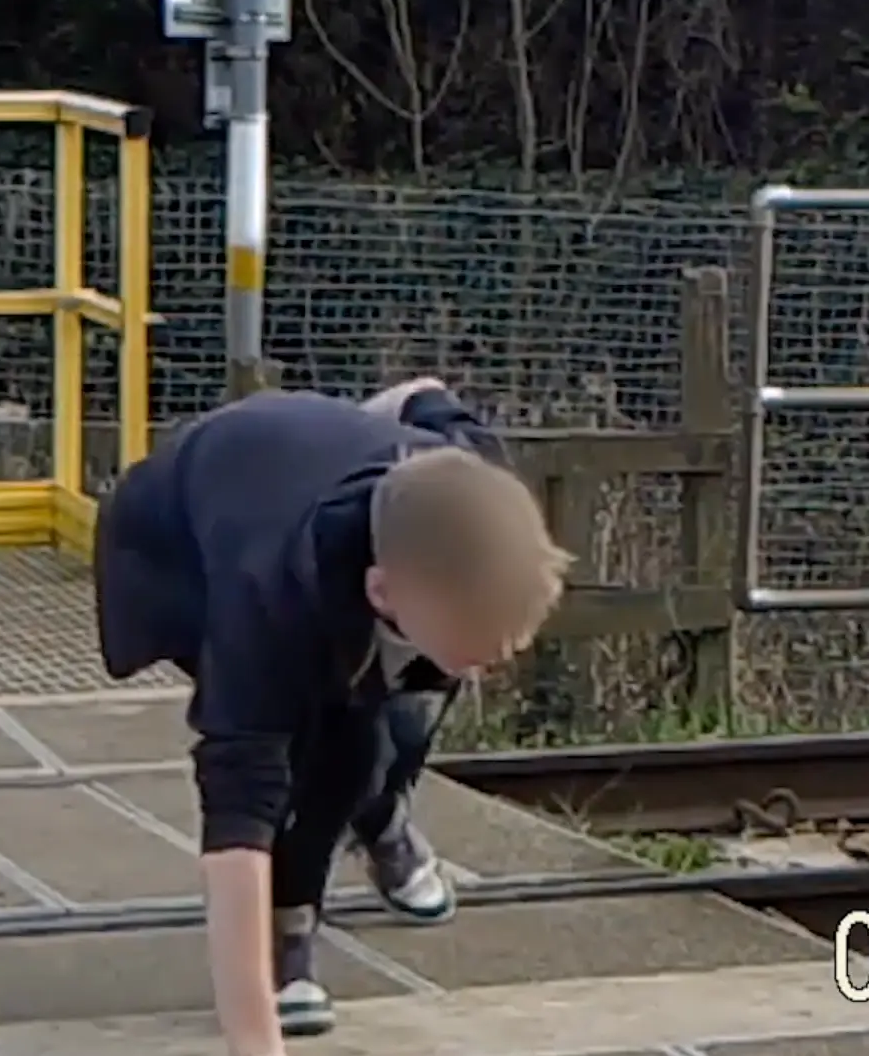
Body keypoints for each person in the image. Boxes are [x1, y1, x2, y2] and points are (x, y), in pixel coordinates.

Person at [94, 379, 570, 1053]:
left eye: (502, 651)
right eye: (473, 649)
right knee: (321, 748)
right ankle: (290, 933)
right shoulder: (265, 603)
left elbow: (423, 392)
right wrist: (254, 1042)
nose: (485, 672)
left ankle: (379, 814)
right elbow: (236, 829)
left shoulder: (476, 481)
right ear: (382, 593)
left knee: (391, 727)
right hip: (181, 548)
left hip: (339, 490)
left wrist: (355, 428)